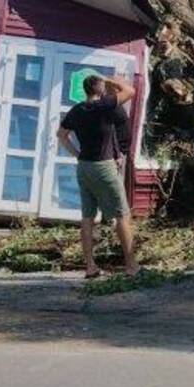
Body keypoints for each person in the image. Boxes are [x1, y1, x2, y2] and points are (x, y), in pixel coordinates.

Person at [57, 74, 140, 278]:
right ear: (99, 88)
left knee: (87, 217)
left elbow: (61, 135)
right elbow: (130, 91)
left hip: (84, 166)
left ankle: (90, 267)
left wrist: (76, 154)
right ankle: (132, 267)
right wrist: (110, 80)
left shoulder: (77, 110)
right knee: (122, 215)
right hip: (103, 166)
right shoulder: (104, 106)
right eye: (103, 85)